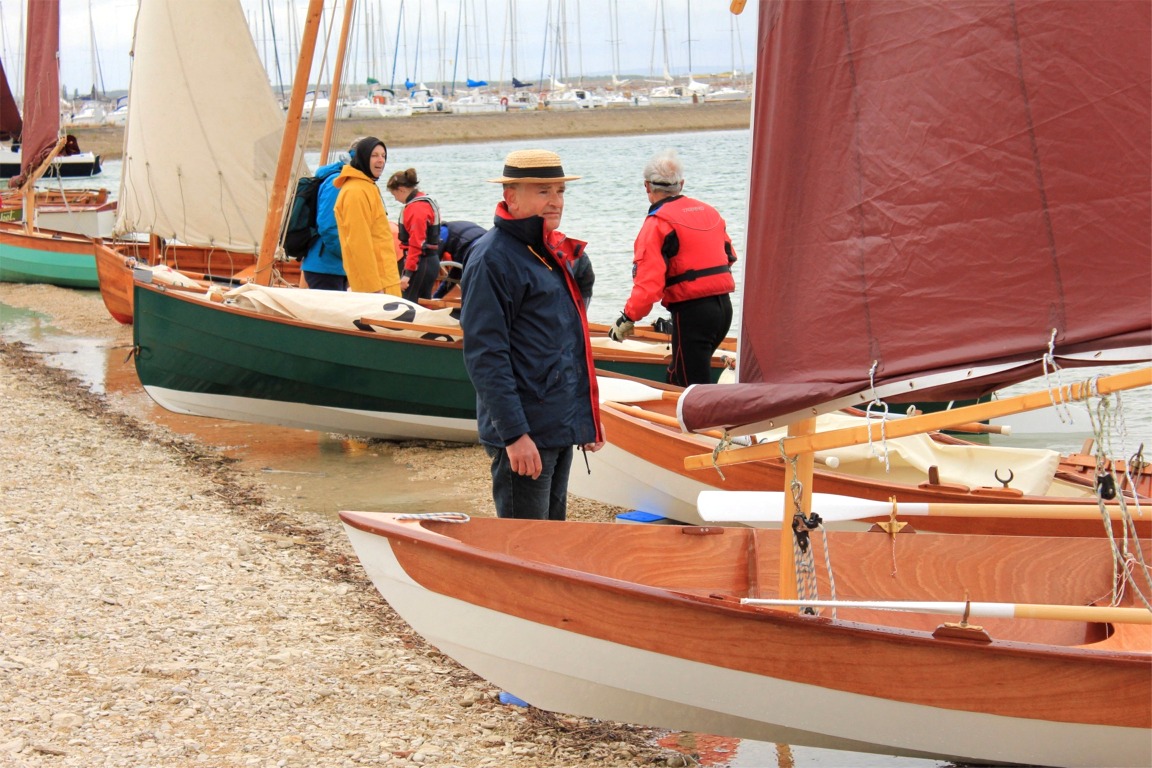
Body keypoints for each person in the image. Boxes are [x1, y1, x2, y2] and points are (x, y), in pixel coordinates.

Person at [460, 148, 604, 520]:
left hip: (557, 423)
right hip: (525, 430)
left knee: (551, 539)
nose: (555, 201)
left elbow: (571, 341)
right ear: (512, 196)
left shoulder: (553, 251)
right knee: (523, 544)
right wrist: (513, 435)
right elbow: (485, 355)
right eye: (543, 191)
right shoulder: (491, 258)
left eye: (559, 191)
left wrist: (584, 421)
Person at [609, 148, 737, 386]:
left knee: (690, 386)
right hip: (723, 310)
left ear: (647, 187)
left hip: (692, 314)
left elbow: (648, 284)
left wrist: (628, 318)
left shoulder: (657, 224)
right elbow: (729, 256)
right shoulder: (709, 212)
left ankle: (701, 422)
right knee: (678, 373)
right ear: (681, 184)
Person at [332, 136, 401, 295]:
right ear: (362, 157)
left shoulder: (367, 186)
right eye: (374, 155)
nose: (380, 160)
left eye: (383, 156)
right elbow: (358, 242)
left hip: (386, 277)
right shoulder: (355, 191)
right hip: (376, 285)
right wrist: (373, 288)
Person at [300, 138, 363, 291]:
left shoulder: (354, 182)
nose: (379, 161)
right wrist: (350, 255)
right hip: (324, 266)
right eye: (373, 155)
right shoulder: (337, 182)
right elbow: (327, 226)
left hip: (336, 267)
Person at [386, 167, 442, 302]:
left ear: (401, 190)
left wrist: (407, 274)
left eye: (395, 195)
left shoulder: (415, 208)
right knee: (423, 303)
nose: (396, 199)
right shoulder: (424, 201)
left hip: (420, 264)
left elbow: (416, 243)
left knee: (408, 305)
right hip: (429, 261)